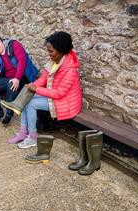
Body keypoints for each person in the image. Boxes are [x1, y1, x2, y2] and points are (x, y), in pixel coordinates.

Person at [8, 31, 82, 161]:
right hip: (56, 98)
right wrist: (32, 87)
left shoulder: (70, 70)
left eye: (51, 51)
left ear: (61, 50)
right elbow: (43, 79)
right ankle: (23, 132)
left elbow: (59, 93)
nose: (49, 54)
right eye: (48, 50)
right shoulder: (55, 61)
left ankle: (32, 137)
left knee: (30, 103)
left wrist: (36, 89)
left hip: (67, 103)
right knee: (27, 98)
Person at [0, 33, 38, 127]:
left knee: (12, 84)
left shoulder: (14, 45)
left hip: (23, 77)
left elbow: (22, 62)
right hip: (8, 78)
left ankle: (9, 114)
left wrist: (17, 78)